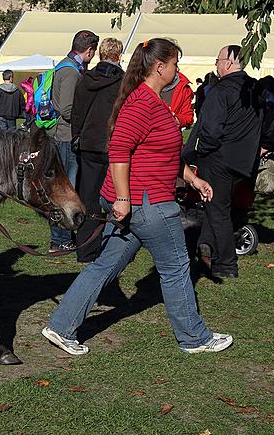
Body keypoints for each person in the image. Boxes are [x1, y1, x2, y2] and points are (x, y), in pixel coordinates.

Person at [42, 38, 233, 355]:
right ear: (160, 67)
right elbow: (118, 154)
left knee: (105, 265)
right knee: (175, 268)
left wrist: (193, 178)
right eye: (175, 64)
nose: (177, 69)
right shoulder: (142, 103)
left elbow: (161, 154)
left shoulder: (152, 101)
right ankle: (194, 338)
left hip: (141, 203)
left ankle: (61, 326)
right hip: (148, 204)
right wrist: (123, 199)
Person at [187, 45, 265, 279]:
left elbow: (210, 129)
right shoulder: (255, 90)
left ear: (229, 63)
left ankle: (226, 264)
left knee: (218, 209)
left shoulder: (222, 91)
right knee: (216, 206)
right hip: (243, 161)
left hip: (220, 158)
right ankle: (205, 247)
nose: (216, 64)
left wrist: (204, 150)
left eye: (219, 60)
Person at [71, 37, 124, 263]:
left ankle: (86, 248)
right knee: (116, 196)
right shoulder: (123, 83)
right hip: (113, 145)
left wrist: (78, 136)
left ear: (100, 54)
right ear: (119, 55)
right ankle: (109, 245)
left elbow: (78, 112)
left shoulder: (86, 79)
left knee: (88, 197)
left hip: (90, 144)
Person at [48, 30, 99, 252]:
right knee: (65, 190)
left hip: (63, 136)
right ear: (89, 50)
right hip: (65, 137)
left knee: (65, 188)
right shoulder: (70, 72)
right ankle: (60, 239)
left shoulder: (66, 66)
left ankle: (62, 237)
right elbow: (67, 109)